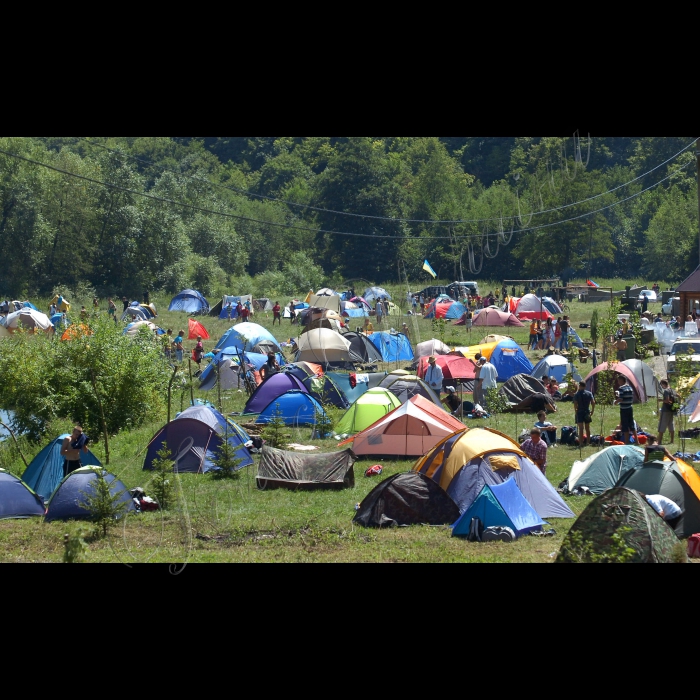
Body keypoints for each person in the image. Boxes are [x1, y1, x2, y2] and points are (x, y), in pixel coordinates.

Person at [615, 376, 638, 445]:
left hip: (624, 409)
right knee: (631, 425)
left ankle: (626, 441)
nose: (618, 382)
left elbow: (621, 399)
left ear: (622, 380)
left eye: (619, 381)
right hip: (630, 407)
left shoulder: (621, 388)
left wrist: (615, 402)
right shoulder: (630, 387)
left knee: (625, 425)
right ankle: (637, 441)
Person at [574, 381, 596, 448]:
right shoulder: (589, 393)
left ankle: (581, 443)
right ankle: (588, 442)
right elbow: (593, 402)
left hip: (580, 411)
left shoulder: (577, 394)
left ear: (580, 386)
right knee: (587, 428)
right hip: (587, 411)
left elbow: (575, 403)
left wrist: (576, 411)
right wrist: (592, 410)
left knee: (581, 428)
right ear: (585, 386)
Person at [658, 379, 677, 445]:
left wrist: (661, 400)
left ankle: (659, 441)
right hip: (671, 410)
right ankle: (672, 440)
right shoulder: (673, 390)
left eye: (661, 385)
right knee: (670, 424)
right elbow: (678, 397)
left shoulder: (666, 391)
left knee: (662, 425)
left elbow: (667, 400)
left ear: (663, 384)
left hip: (665, 410)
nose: (661, 386)